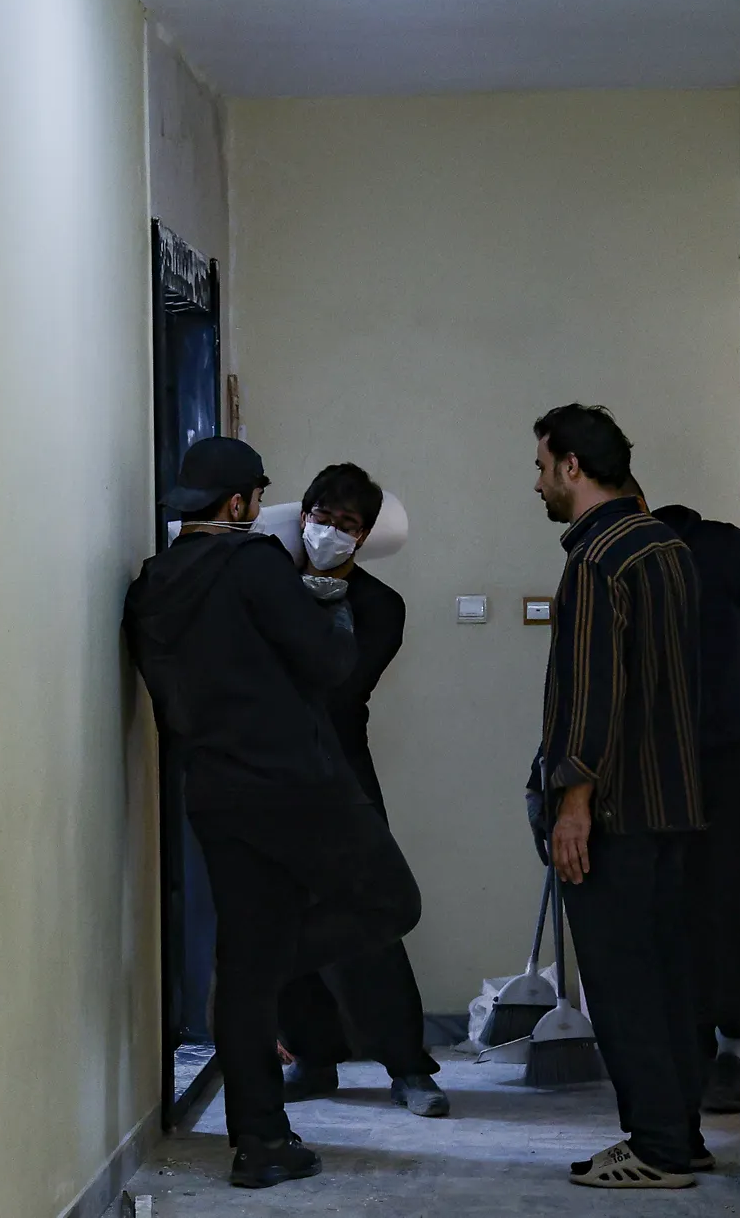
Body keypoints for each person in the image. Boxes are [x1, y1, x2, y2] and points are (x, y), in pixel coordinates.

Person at [124, 437, 423, 1190]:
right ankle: (262, 978)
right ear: (240, 503)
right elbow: (328, 664)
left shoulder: (152, 582)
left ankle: (260, 1143)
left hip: (213, 790)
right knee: (391, 901)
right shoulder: (255, 563)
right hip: (298, 782)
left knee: (246, 958)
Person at [529, 405, 708, 1190]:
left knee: (622, 980)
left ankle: (658, 1148)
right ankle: (680, 1133)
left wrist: (574, 805)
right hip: (674, 799)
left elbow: (592, 693)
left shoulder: (597, 560)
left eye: (542, 466)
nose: (538, 482)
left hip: (614, 811)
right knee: (668, 974)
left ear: (573, 466)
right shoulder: (666, 547)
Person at [274, 463, 449, 1119]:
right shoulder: (269, 583)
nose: (329, 531)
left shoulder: (380, 606)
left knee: (370, 914)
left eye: (345, 524)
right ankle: (312, 1055)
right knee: (283, 914)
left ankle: (408, 1065)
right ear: (303, 515)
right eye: (321, 516)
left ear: (364, 535)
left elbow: (340, 682)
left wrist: (318, 609)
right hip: (271, 775)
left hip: (342, 775)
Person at [648, 500, 740, 1115]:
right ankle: (734, 1050)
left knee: (679, 910)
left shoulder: (658, 577)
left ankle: (698, 1053)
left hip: (671, 771)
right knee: (730, 905)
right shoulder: (736, 576)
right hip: (737, 767)